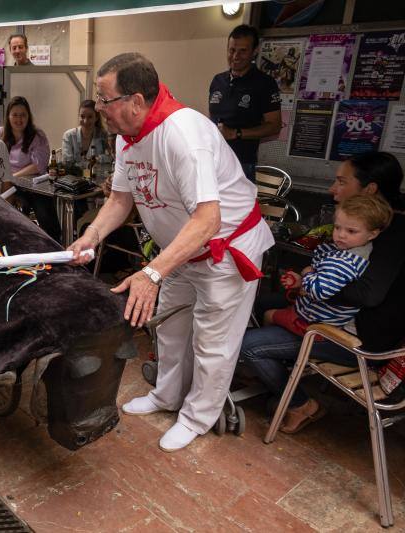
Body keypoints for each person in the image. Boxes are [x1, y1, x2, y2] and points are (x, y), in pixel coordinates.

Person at [68, 52, 273, 452]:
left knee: (212, 341)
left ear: (136, 101)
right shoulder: (127, 139)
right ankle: (166, 395)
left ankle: (198, 416)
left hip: (224, 252)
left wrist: (151, 273)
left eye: (105, 100)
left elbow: (208, 220)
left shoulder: (183, 134)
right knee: (169, 326)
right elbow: (120, 201)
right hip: (178, 251)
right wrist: (90, 236)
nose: (99, 109)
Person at [241, 151, 405, 434]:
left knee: (248, 345)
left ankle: (300, 403)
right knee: (259, 302)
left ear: (370, 190)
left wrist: (309, 283)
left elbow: (367, 295)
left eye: (341, 182)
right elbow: (329, 262)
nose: (332, 189)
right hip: (330, 313)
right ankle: (281, 372)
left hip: (354, 334)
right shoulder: (359, 226)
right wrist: (308, 277)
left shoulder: (392, 233)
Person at [264, 194, 392, 338]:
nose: (341, 235)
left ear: (372, 234)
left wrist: (306, 274)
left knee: (269, 315)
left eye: (351, 231)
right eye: (337, 228)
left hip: (313, 323)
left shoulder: (343, 262)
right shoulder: (352, 251)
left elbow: (319, 291)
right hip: (316, 314)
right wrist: (302, 280)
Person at [208, 24, 281, 183]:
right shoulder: (217, 81)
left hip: (241, 164)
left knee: (240, 208)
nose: (235, 56)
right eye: (232, 50)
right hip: (212, 162)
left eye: (243, 51)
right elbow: (213, 119)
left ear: (254, 51)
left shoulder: (265, 83)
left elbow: (275, 125)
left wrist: (236, 133)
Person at [0, 96, 59, 241]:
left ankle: (54, 245)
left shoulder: (37, 136)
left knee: (45, 213)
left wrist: (14, 176)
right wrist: (8, 179)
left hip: (31, 185)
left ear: (29, 117)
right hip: (5, 184)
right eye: (15, 115)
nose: (19, 119)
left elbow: (39, 165)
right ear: (8, 116)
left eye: (23, 115)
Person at [61, 99, 108, 168]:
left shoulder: (103, 135)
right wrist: (90, 163)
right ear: (78, 117)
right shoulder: (68, 136)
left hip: (96, 176)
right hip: (74, 176)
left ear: (96, 118)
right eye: (82, 117)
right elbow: (67, 162)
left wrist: (99, 158)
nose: (86, 121)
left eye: (90, 117)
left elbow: (112, 157)